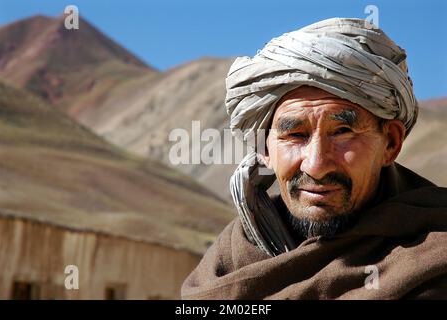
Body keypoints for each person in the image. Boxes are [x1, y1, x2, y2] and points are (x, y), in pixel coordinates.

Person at [181, 18, 447, 299]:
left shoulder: (434, 260)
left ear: (391, 143)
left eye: (343, 132)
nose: (316, 165)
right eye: (295, 135)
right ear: (264, 149)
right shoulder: (229, 263)